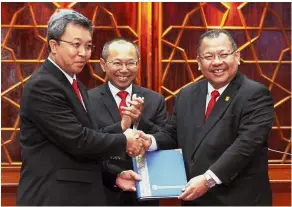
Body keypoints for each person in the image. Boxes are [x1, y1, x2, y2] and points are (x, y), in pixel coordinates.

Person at [16, 9, 144, 206]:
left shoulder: (76, 85)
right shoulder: (43, 85)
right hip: (53, 198)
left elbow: (87, 137)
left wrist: (114, 174)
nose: (84, 53)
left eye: (88, 46)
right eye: (76, 45)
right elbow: (78, 140)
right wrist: (124, 140)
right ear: (54, 45)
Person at [144, 29, 274, 205]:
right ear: (198, 62)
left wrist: (208, 180)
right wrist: (149, 141)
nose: (217, 62)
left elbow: (246, 146)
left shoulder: (255, 94)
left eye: (223, 54)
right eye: (209, 56)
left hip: (237, 199)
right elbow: (172, 134)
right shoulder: (187, 94)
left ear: (237, 56)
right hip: (195, 198)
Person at [88, 38, 168, 205]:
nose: (124, 70)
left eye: (130, 63)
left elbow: (167, 139)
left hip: (144, 192)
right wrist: (122, 126)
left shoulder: (155, 99)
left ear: (138, 64)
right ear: (103, 64)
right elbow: (87, 141)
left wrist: (140, 120)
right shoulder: (88, 100)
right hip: (103, 191)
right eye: (117, 63)